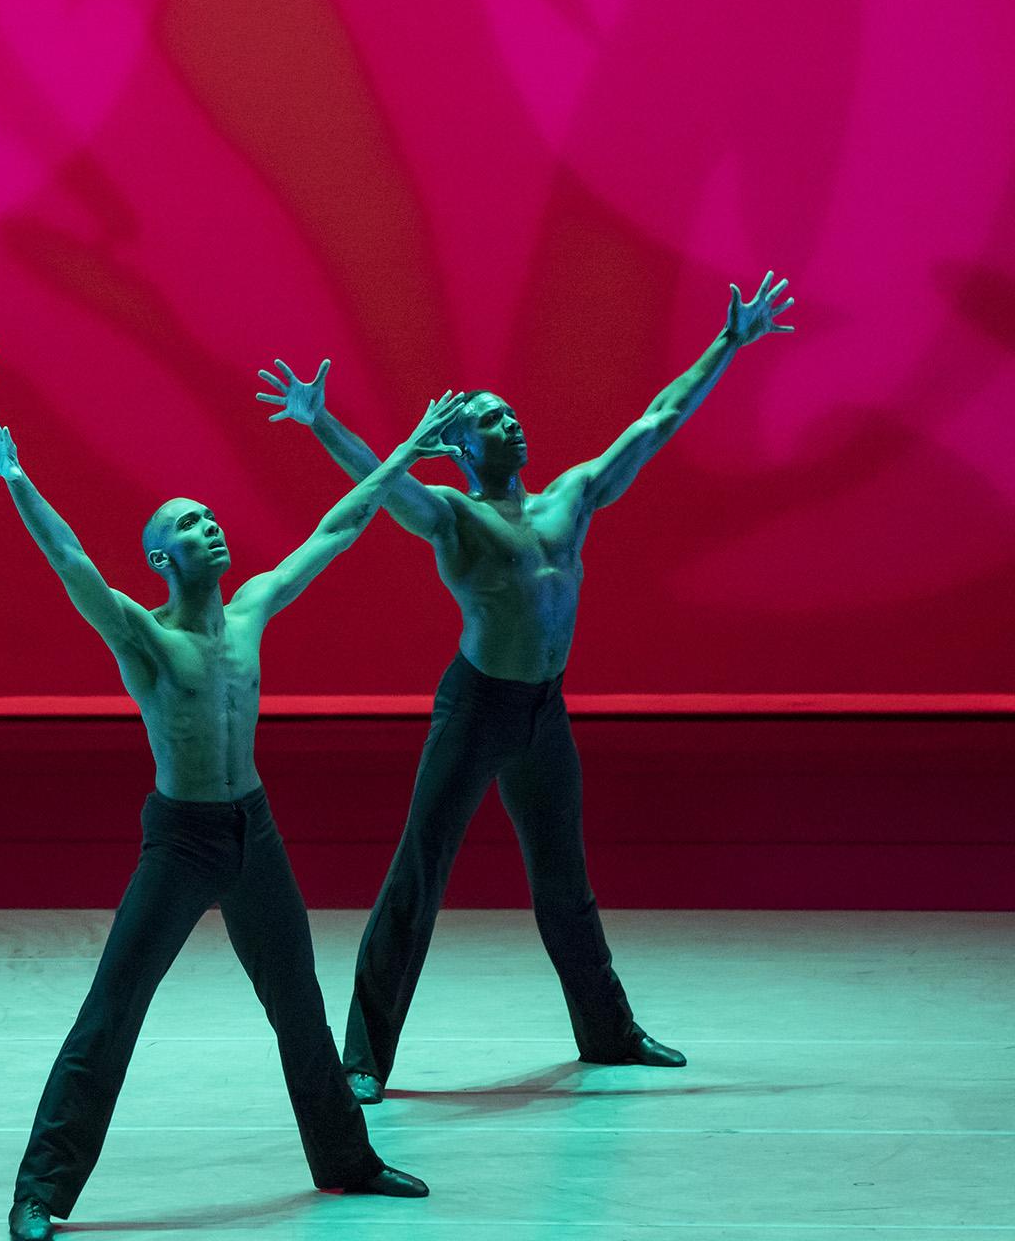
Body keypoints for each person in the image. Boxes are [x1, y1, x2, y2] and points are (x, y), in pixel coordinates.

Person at [256, 275, 795, 1100]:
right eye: (492, 421)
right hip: (476, 707)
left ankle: (607, 1033)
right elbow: (381, 490)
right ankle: (363, 1058)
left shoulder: (569, 501)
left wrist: (727, 343)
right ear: (463, 447)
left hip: (543, 711)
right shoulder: (451, 517)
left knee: (563, 880)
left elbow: (656, 423)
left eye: (512, 413)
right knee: (420, 872)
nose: (514, 423)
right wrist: (322, 419)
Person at [0, 404, 460, 1241]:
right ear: (163, 558)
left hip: (252, 833)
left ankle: (347, 1159)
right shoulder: (145, 636)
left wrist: (406, 449)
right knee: (112, 1010)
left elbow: (339, 527)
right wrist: (19, 481)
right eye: (191, 524)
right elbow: (72, 561)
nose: (213, 526)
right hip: (182, 841)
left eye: (212, 515)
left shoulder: (255, 608)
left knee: (300, 1006)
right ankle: (40, 1190)